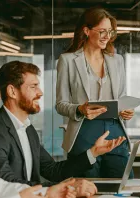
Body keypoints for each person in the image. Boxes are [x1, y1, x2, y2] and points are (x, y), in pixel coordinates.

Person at [0, 61, 124, 195]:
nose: (40, 92)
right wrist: (62, 189)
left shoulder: (27, 128)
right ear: (12, 91)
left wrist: (93, 152)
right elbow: (6, 182)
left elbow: (53, 170)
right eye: (33, 87)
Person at [56, 7, 134, 178]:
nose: (107, 36)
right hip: (83, 132)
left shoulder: (117, 61)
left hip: (115, 132)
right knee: (87, 191)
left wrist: (126, 110)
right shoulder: (68, 60)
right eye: (102, 31)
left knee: (122, 188)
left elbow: (121, 97)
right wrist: (80, 109)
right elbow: (60, 105)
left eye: (110, 32)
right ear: (86, 31)